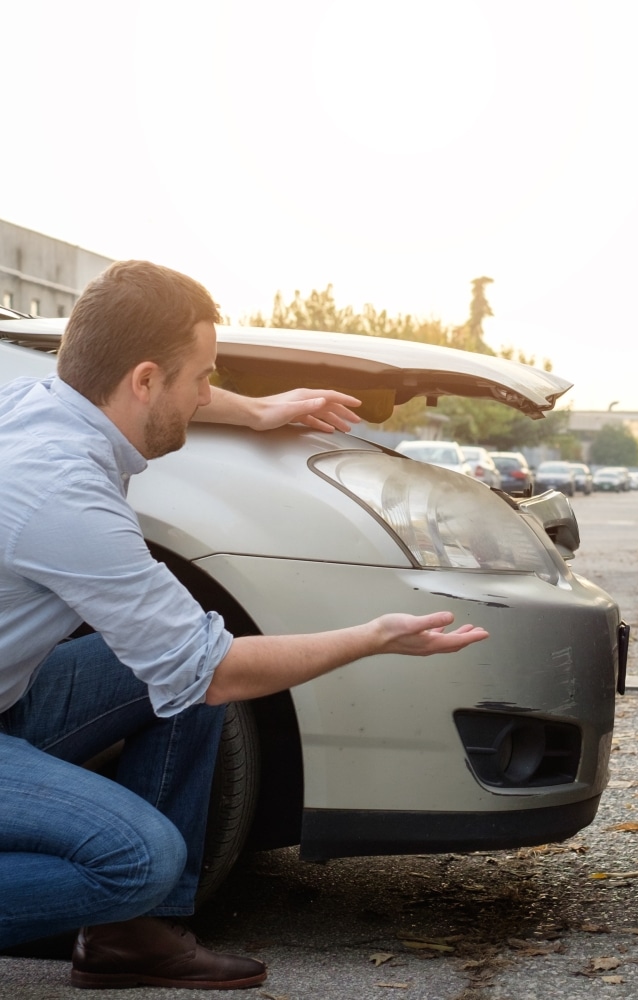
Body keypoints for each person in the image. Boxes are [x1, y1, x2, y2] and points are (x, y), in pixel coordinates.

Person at [0, 260, 491, 990]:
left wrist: (257, 411)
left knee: (180, 659)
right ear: (142, 381)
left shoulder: (38, 404)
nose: (207, 395)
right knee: (139, 858)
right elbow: (215, 668)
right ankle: (133, 903)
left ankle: (133, 942)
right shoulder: (62, 490)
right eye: (202, 378)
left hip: (15, 701)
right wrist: (373, 637)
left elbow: (194, 671)